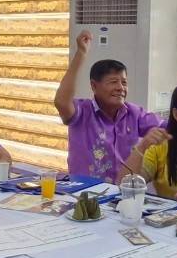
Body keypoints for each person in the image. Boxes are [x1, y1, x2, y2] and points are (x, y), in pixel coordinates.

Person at [55, 30, 163, 181]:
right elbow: (61, 101)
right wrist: (81, 53)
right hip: (86, 196)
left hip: (122, 194)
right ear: (94, 86)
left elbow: (168, 126)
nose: (121, 88)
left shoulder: (134, 113)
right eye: (113, 82)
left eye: (124, 82)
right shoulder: (82, 112)